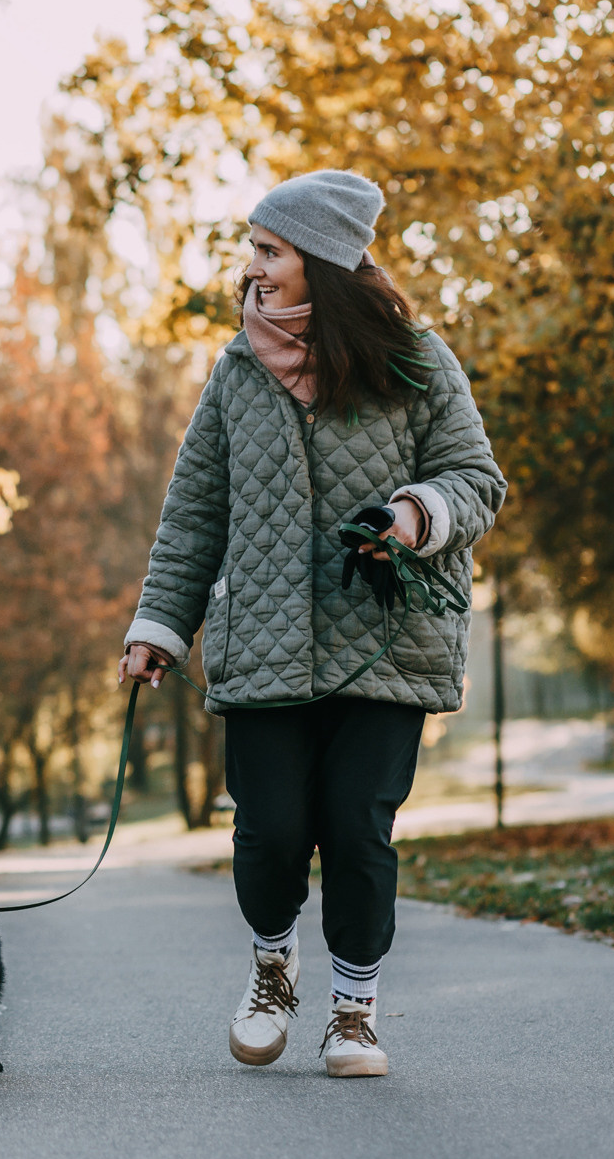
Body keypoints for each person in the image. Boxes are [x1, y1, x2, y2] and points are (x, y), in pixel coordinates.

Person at [118, 170, 506, 1077]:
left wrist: (413, 514)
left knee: (357, 827)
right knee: (270, 831)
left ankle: (356, 1012)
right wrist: (158, 627)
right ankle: (271, 970)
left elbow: (476, 480)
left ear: (322, 263)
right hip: (261, 644)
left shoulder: (417, 359)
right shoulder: (235, 370)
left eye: (269, 251)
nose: (252, 269)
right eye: (254, 249)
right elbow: (194, 514)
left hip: (385, 642)